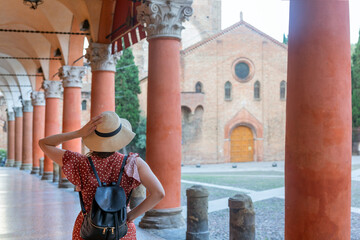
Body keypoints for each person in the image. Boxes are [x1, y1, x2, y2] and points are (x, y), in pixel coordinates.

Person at [39, 111, 165, 240]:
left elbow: (44, 143)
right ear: (119, 137)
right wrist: (130, 216)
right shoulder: (133, 163)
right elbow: (158, 193)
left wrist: (79, 133)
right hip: (121, 229)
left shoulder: (79, 162)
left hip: (89, 228)